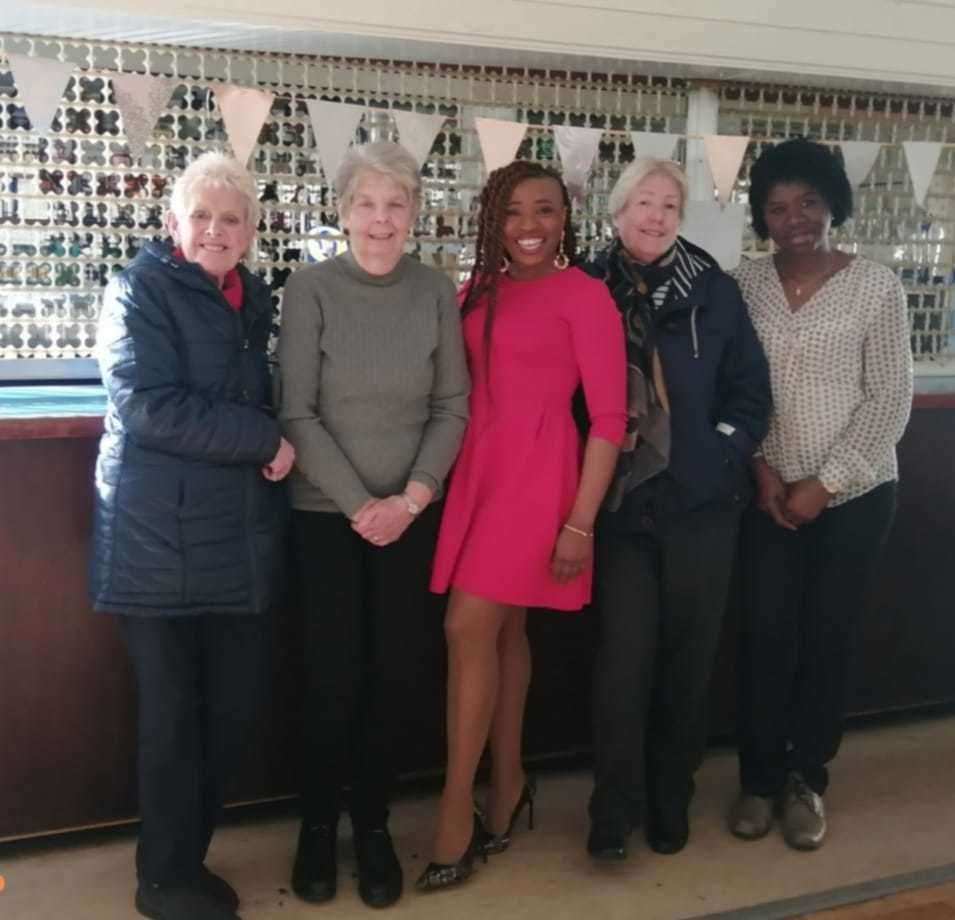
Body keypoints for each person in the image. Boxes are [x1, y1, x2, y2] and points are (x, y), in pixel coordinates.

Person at [90, 152, 294, 920]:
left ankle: (187, 858)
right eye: (201, 215)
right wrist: (264, 441)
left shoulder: (255, 300)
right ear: (174, 223)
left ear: (250, 231)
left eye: (231, 217)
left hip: (236, 543)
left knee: (231, 712)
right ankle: (164, 879)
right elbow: (148, 406)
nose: (215, 229)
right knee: (173, 721)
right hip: (155, 543)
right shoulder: (137, 290)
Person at [419, 160, 627, 891]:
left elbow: (609, 420)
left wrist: (580, 525)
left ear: (564, 217)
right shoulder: (474, 293)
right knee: (503, 634)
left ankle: (454, 815)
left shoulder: (587, 297)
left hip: (542, 485)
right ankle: (506, 790)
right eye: (512, 212)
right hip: (477, 476)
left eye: (544, 210)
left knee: (464, 628)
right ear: (492, 222)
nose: (529, 226)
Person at [278, 141, 469, 909]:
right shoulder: (311, 288)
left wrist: (411, 499)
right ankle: (317, 829)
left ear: (414, 214)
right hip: (328, 517)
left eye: (396, 205)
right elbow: (296, 410)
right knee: (329, 680)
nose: (381, 219)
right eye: (366, 203)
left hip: (411, 518)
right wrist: (362, 505)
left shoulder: (433, 291)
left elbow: (451, 407)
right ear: (343, 210)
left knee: (391, 680)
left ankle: (374, 827)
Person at [584, 157, 772, 862]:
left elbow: (749, 390)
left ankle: (670, 801)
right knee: (621, 668)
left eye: (669, 205)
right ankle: (612, 811)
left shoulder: (713, 290)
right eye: (643, 201)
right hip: (621, 507)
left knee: (687, 667)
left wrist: (721, 452)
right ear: (618, 209)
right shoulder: (587, 287)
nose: (656, 215)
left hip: (701, 506)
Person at [729, 138, 913, 850]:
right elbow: (731, 387)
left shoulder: (876, 286)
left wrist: (824, 482)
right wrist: (761, 469)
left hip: (855, 495)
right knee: (764, 638)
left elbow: (889, 398)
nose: (794, 217)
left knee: (825, 641)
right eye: (776, 206)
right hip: (765, 493)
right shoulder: (742, 284)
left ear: (833, 200)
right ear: (761, 216)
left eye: (807, 200)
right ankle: (758, 776)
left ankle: (806, 777)